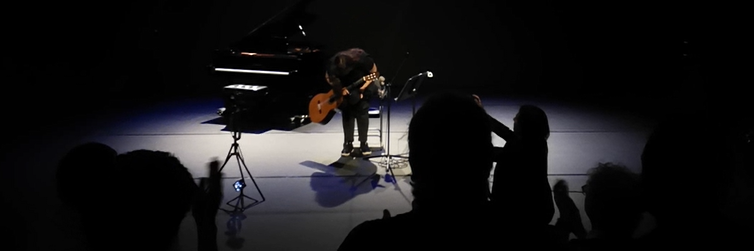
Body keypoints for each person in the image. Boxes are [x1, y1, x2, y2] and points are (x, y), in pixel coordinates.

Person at [325, 48, 380, 156]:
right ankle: (348, 143)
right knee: (346, 111)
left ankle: (363, 143)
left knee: (362, 109)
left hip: (363, 84)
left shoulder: (361, 58)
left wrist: (362, 89)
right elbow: (328, 77)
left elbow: (374, 73)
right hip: (345, 87)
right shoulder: (333, 63)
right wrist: (339, 89)